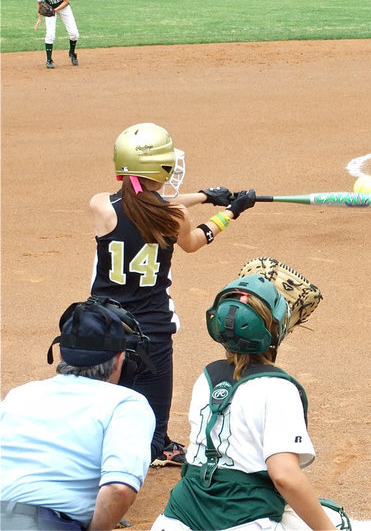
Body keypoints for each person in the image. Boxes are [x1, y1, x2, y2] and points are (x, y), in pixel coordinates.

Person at [90, 122, 256, 467]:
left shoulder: (101, 206)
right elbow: (194, 240)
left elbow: (144, 203)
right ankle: (157, 446)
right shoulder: (174, 215)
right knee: (153, 405)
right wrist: (229, 212)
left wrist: (204, 195)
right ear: (158, 167)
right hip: (151, 326)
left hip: (103, 323)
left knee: (107, 394)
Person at [151, 274, 337, 531]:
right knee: (336, 520)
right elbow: (285, 477)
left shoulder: (206, 379)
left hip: (176, 518)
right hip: (243, 520)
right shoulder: (279, 388)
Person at [0, 296, 155, 531]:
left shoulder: (20, 394)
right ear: (119, 360)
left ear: (61, 355)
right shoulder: (126, 404)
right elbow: (119, 488)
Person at [34, 0, 80, 68]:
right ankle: (49, 60)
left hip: (63, 8)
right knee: (50, 35)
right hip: (49, 10)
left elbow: (66, 1)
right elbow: (39, 3)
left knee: (74, 34)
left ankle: (72, 53)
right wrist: (39, 18)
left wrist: (55, 10)